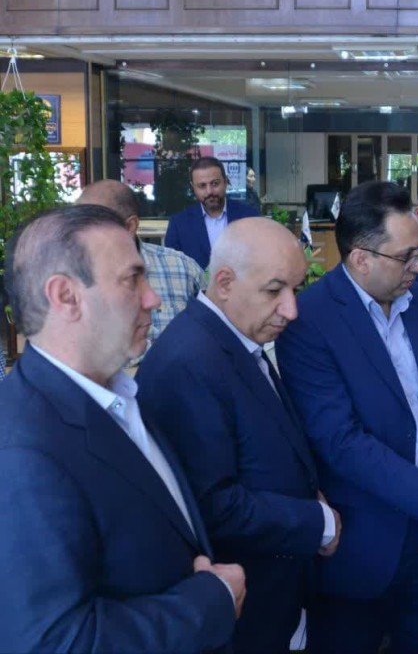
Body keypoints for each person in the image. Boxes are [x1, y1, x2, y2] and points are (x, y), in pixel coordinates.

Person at [275, 181, 418, 653]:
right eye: (406, 257)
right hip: (359, 546)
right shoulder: (310, 321)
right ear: (362, 258)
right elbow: (342, 442)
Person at [0, 205, 243, 651]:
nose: (153, 299)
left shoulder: (117, 391)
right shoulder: (22, 451)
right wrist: (212, 601)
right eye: (133, 279)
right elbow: (54, 642)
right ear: (66, 296)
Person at [136, 218, 342, 653]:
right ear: (225, 282)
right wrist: (317, 521)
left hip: (274, 593)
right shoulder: (189, 362)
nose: (291, 310)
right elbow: (213, 505)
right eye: (274, 291)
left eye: (295, 289)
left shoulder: (228, 342)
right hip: (245, 610)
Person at [77, 179, 205, 350]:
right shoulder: (73, 279)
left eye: (92, 224)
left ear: (130, 226)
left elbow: (215, 336)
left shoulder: (183, 269)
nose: (80, 234)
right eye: (77, 224)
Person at [164, 156, 260, 269]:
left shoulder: (250, 217)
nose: (209, 191)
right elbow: (173, 269)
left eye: (215, 183)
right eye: (202, 186)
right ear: (193, 187)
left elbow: (259, 260)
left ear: (225, 182)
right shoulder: (179, 224)